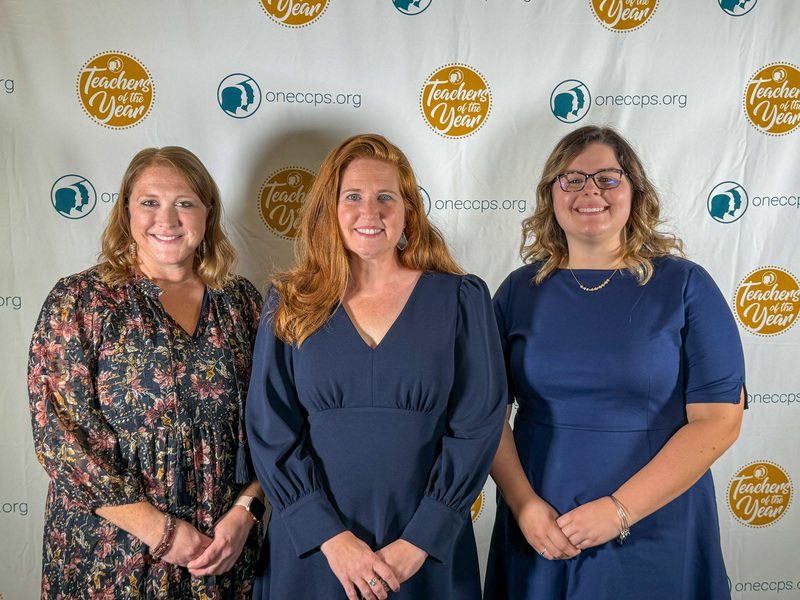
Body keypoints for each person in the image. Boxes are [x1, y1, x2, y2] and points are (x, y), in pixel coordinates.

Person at [483, 126, 745, 600]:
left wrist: (619, 510)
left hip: (657, 520)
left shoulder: (686, 286)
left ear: (634, 192)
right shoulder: (516, 293)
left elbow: (719, 421)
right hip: (542, 523)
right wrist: (524, 506)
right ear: (551, 195)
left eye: (608, 178)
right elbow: (487, 417)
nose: (590, 192)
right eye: (573, 179)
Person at [245, 134, 506, 600]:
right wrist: (331, 539)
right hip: (314, 550)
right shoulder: (289, 302)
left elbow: (479, 424)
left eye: (386, 197)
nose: (371, 211)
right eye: (354, 197)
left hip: (423, 552)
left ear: (409, 210)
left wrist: (421, 539)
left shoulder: (462, 299)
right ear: (330, 208)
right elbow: (270, 429)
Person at [28, 146, 266, 599]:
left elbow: (276, 422)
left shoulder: (242, 303)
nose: (167, 219)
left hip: (222, 558)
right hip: (111, 558)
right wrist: (161, 532)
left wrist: (247, 511)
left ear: (207, 213)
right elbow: (60, 436)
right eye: (150, 202)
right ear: (126, 212)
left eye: (185, 203)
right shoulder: (81, 301)